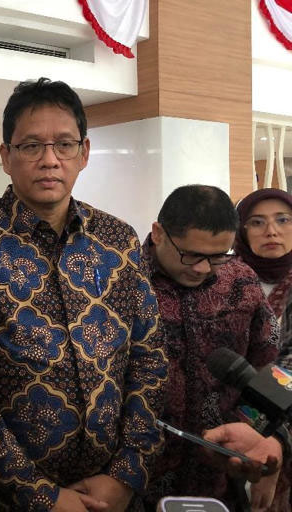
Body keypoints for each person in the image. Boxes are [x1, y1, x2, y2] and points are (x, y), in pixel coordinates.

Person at [0, 78, 168, 512]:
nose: (50, 160)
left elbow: (148, 359)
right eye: (32, 146)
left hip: (113, 495)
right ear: (6, 156)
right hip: (9, 498)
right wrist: (38, 493)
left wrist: (126, 474)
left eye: (65, 145)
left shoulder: (119, 241)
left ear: (84, 152)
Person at [141, 184, 283, 510]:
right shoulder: (121, 280)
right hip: (136, 480)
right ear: (159, 233)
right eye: (191, 255)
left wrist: (267, 439)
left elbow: (270, 369)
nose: (203, 268)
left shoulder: (241, 280)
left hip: (223, 478)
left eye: (218, 256)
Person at [236, 188, 292, 368]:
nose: (271, 232)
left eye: (283, 220)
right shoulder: (220, 280)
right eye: (257, 222)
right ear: (241, 230)